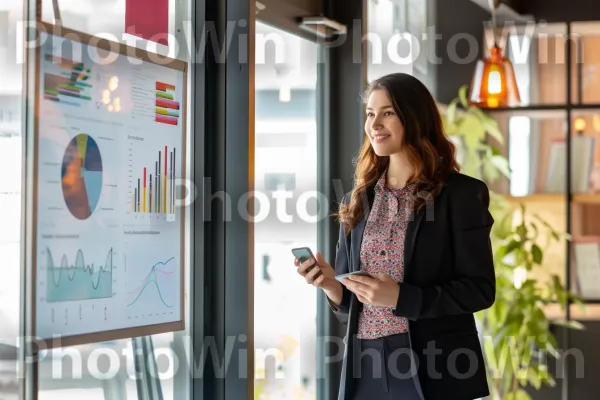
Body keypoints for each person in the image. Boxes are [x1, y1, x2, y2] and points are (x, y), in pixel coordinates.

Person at [293, 72, 495, 400]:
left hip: (436, 368)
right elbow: (353, 304)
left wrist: (402, 298)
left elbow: (479, 290)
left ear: (415, 118)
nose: (375, 123)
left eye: (388, 112)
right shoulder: (357, 200)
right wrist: (331, 284)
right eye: (370, 114)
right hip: (366, 364)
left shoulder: (460, 195)